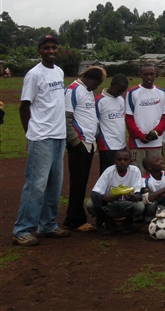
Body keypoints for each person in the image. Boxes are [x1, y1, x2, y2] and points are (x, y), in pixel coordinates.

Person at [13, 35, 70, 246]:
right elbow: (24, 107)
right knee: (36, 185)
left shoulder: (59, 71)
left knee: (54, 184)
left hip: (59, 135)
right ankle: (22, 230)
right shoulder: (34, 74)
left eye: (54, 47)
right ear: (39, 50)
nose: (51, 51)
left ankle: (48, 225)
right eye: (46, 48)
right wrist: (30, 134)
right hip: (41, 136)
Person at [62, 66, 106, 232]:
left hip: (88, 143)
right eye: (96, 83)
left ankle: (75, 217)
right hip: (79, 144)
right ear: (88, 78)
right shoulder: (73, 90)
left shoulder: (88, 91)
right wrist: (76, 142)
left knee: (82, 182)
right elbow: (66, 119)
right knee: (77, 183)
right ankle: (74, 220)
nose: (97, 86)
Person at [86, 149, 144, 235]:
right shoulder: (109, 171)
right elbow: (94, 193)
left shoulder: (135, 171)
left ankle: (128, 222)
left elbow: (138, 193)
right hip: (110, 205)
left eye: (125, 159)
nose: (122, 162)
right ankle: (108, 222)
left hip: (126, 204)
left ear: (130, 161)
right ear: (114, 161)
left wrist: (134, 197)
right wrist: (103, 197)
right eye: (119, 159)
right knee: (90, 204)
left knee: (140, 206)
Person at [125, 64, 165, 172]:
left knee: (155, 173)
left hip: (156, 142)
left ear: (155, 75)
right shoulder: (132, 92)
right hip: (137, 143)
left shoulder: (162, 92)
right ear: (140, 75)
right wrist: (140, 136)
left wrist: (156, 132)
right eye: (146, 74)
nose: (149, 77)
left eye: (151, 74)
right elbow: (129, 118)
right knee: (137, 173)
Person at [95, 73, 128, 175]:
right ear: (112, 85)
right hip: (107, 145)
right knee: (107, 173)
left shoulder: (121, 99)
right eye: (118, 90)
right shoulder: (99, 101)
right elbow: (94, 123)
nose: (120, 93)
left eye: (122, 91)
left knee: (121, 173)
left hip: (121, 143)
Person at [140, 154, 165, 224]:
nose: (161, 161)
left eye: (161, 159)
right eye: (157, 161)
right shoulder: (144, 179)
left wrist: (153, 194)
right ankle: (148, 222)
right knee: (150, 205)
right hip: (154, 203)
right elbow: (146, 199)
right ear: (149, 167)